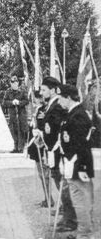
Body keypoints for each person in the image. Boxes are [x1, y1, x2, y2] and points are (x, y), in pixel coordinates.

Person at [36, 77, 76, 229]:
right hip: (52, 148)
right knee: (57, 178)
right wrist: (42, 134)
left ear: (53, 90)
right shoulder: (51, 105)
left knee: (62, 181)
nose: (41, 92)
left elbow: (61, 129)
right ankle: (66, 209)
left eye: (44, 90)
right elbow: (49, 127)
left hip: (58, 150)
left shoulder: (58, 106)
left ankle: (70, 217)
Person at [58, 84, 95, 239]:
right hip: (73, 163)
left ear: (68, 98)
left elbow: (81, 145)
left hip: (78, 165)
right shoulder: (73, 113)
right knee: (79, 200)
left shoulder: (78, 115)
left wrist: (82, 168)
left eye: (61, 98)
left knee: (81, 201)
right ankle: (83, 232)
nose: (59, 101)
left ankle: (85, 235)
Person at [27, 91, 53, 208]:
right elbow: (35, 126)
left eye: (40, 96)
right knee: (41, 174)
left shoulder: (49, 109)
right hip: (37, 145)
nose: (38, 99)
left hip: (45, 145)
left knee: (46, 174)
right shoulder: (38, 110)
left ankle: (49, 200)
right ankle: (48, 198)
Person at [2, 75, 29, 153]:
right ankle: (16, 147)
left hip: (21, 114)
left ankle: (21, 148)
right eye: (12, 82)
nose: (14, 84)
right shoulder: (8, 91)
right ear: (10, 83)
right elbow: (4, 102)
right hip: (13, 115)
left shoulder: (22, 91)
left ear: (18, 83)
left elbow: (26, 101)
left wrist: (19, 103)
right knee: (13, 131)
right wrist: (12, 102)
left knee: (21, 130)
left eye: (15, 82)